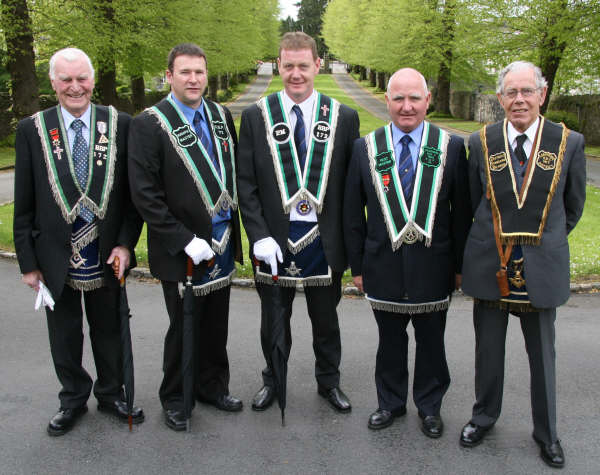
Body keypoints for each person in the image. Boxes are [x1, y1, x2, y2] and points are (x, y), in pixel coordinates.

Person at [459, 61, 586, 468]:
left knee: (542, 358)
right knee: (488, 353)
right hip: (492, 264)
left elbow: (573, 207)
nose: (519, 100)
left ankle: (547, 433)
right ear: (500, 98)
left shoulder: (569, 143)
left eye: (526, 91)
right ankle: (483, 418)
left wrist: (543, 243)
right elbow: (472, 202)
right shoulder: (481, 142)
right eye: (510, 93)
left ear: (542, 94)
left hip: (540, 266)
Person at [13, 48, 144, 436]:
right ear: (53, 83)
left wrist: (125, 243)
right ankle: (72, 398)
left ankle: (110, 393)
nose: (75, 87)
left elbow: (133, 197)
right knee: (65, 332)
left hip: (106, 252)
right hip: (55, 254)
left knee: (109, 328)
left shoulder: (119, 123)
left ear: (92, 78)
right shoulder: (32, 129)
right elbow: (24, 202)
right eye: (66, 80)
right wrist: (27, 262)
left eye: (82, 78)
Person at [343, 68, 472, 437]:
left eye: (414, 97)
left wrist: (460, 267)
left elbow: (461, 214)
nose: (406, 106)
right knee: (389, 343)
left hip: (435, 266)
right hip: (381, 264)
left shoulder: (450, 147)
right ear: (387, 101)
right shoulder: (365, 148)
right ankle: (390, 403)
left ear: (427, 100)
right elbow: (353, 213)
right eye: (398, 98)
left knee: (432, 343)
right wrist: (357, 265)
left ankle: (430, 407)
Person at [237, 32, 359, 414]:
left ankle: (329, 382)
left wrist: (350, 247)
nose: (295, 74)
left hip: (325, 241)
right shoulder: (257, 116)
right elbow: (246, 183)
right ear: (278, 65)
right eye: (288, 65)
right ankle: (273, 380)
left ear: (316, 65)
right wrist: (257, 235)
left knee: (326, 321)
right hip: (274, 240)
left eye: (303, 65)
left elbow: (350, 190)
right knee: (274, 320)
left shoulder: (344, 117)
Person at [128, 43, 243, 431]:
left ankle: (212, 386)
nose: (193, 79)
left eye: (199, 72)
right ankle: (176, 396)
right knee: (183, 325)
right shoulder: (148, 123)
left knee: (216, 324)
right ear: (169, 75)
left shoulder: (220, 115)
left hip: (223, 239)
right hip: (183, 248)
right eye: (185, 72)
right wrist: (181, 238)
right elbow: (145, 194)